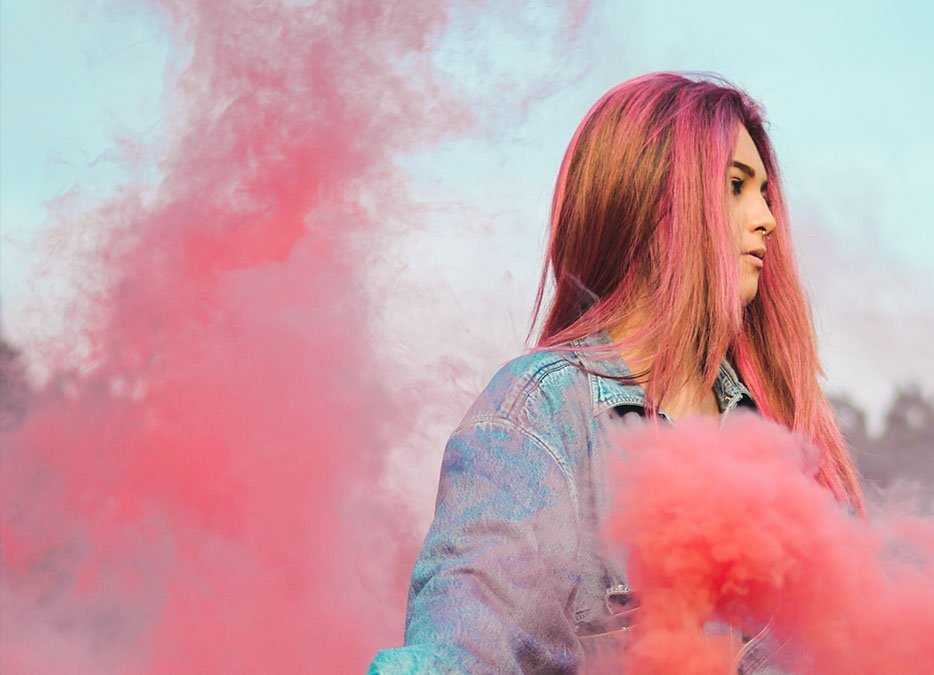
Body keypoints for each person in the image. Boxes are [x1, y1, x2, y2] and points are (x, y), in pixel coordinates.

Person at [368, 72, 865, 674]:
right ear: (650, 201)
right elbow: (463, 656)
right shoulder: (544, 413)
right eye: (736, 187)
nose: (766, 219)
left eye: (764, 193)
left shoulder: (791, 446)